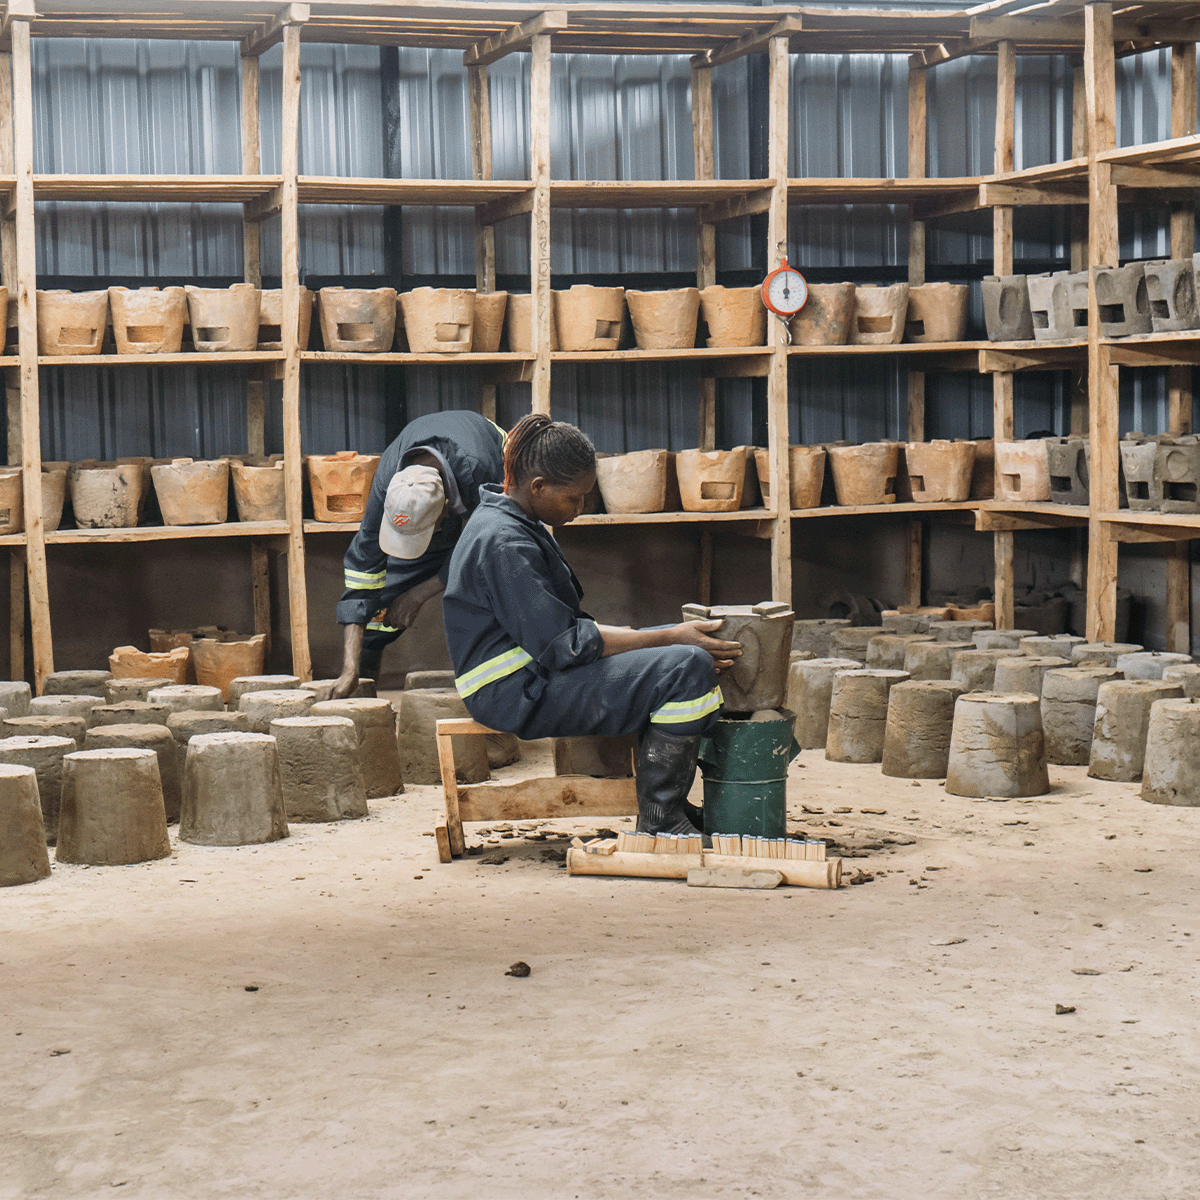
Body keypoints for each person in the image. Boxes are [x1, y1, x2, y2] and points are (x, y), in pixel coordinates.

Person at [442, 413, 741, 837]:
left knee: (668, 657)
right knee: (683, 667)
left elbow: (564, 633)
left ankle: (668, 806)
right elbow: (565, 644)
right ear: (538, 487)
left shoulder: (511, 519)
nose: (581, 508)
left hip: (532, 675)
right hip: (514, 692)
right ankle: (660, 819)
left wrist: (655, 640)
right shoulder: (504, 541)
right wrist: (668, 636)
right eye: (574, 498)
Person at [330, 410, 505, 699]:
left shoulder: (481, 471)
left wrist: (418, 593)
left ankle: (496, 700)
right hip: (444, 490)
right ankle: (361, 690)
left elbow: (485, 547)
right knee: (379, 607)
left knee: (489, 586)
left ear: (446, 510)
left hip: (487, 483)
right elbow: (364, 567)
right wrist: (350, 667)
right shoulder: (389, 482)